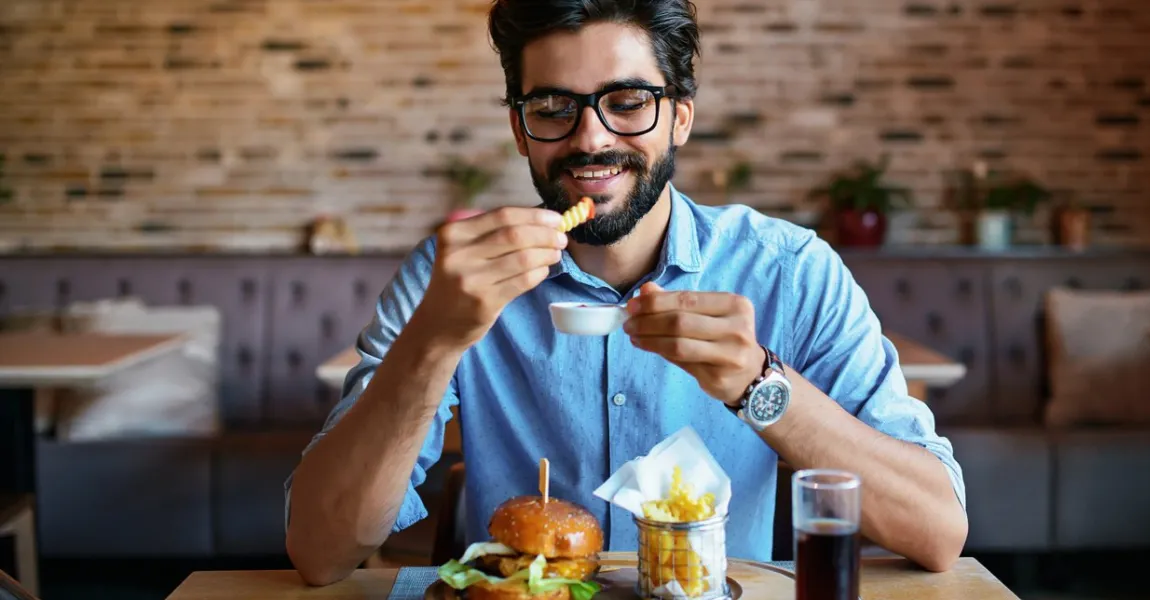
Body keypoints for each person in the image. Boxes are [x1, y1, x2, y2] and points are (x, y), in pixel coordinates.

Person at [284, 0, 968, 586]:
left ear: (680, 119)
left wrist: (762, 387)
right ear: (521, 130)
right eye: (553, 107)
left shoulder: (791, 271)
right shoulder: (451, 276)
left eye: (628, 103)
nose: (591, 138)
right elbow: (320, 553)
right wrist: (431, 344)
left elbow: (937, 530)